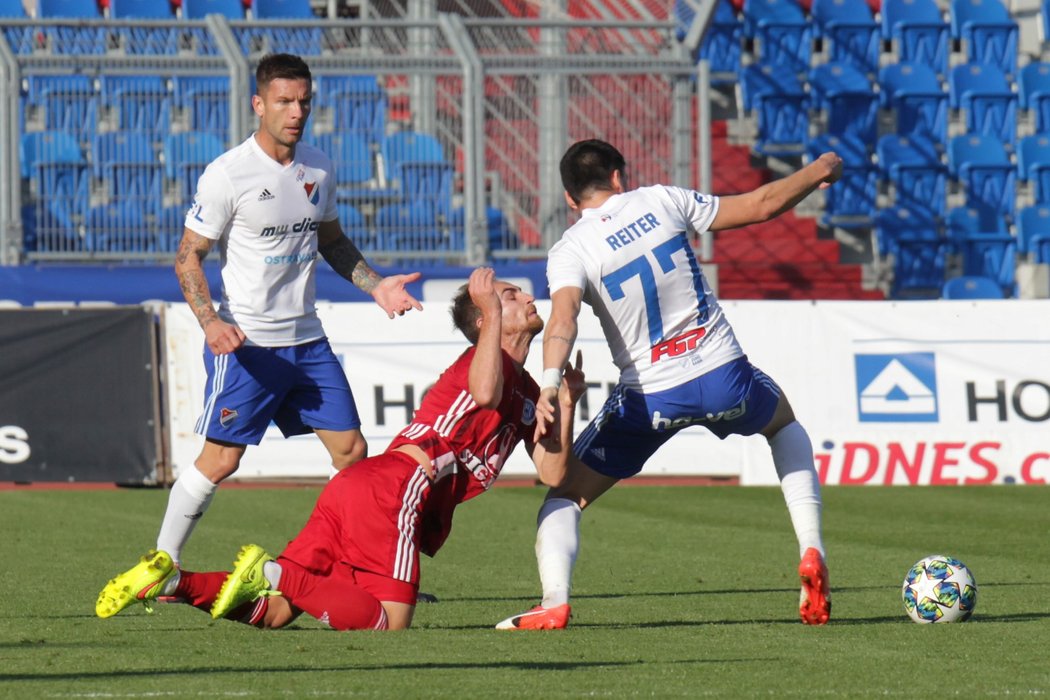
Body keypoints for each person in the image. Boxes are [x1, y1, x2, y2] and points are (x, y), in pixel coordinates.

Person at [95, 53, 422, 616]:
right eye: (284, 102)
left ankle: (353, 571)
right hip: (249, 344)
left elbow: (332, 241)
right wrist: (211, 322)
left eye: (304, 103)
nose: (296, 113)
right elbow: (188, 258)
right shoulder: (228, 173)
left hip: (308, 341)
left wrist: (376, 287)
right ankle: (162, 564)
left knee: (353, 453)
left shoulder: (318, 168)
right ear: (258, 104)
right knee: (221, 462)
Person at [96, 268, 586, 630]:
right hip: (395, 488)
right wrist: (493, 313)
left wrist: (565, 404)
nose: (526, 297)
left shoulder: (525, 388)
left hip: (358, 487)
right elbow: (483, 393)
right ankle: (272, 570)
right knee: (389, 622)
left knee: (279, 613)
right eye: (509, 294)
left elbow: (552, 473)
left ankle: (171, 582)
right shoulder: (484, 362)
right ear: (486, 319)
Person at [494, 139, 842, 631]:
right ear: (619, 177)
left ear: (571, 200)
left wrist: (550, 382)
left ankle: (554, 601)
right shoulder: (660, 199)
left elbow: (563, 319)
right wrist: (818, 170)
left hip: (650, 397)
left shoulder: (571, 249)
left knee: (563, 497)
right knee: (784, 425)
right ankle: (811, 548)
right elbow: (762, 205)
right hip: (724, 375)